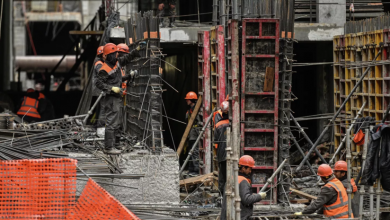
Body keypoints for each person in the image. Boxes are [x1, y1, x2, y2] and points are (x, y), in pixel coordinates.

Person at [95, 42, 145, 154]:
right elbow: (98, 83)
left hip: (116, 98)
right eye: (115, 53)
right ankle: (108, 148)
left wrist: (136, 50)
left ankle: (116, 145)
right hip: (111, 99)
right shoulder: (104, 69)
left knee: (117, 123)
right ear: (110, 55)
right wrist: (111, 88)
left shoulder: (116, 63)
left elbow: (126, 58)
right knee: (111, 123)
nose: (117, 55)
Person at [221, 155, 267, 220]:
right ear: (243, 168)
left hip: (228, 215)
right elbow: (246, 200)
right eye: (249, 169)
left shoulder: (231, 178)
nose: (250, 171)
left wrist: (252, 195)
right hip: (239, 216)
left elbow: (240, 195)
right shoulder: (243, 181)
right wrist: (259, 196)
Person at [214, 101, 230, 195]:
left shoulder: (218, 124)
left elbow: (216, 140)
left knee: (222, 176)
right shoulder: (233, 123)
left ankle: (222, 196)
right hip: (232, 153)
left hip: (221, 153)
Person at [185, 91, 202, 176]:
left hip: (195, 133)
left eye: (188, 99)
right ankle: (191, 168)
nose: (186, 101)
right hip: (191, 133)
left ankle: (195, 170)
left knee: (194, 151)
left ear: (191, 100)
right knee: (190, 150)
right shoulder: (190, 109)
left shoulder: (196, 109)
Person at [93, 46, 106, 127]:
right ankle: (100, 126)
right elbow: (102, 74)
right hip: (100, 89)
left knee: (100, 107)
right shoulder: (99, 64)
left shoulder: (100, 62)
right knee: (103, 107)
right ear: (102, 55)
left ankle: (97, 124)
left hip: (98, 88)